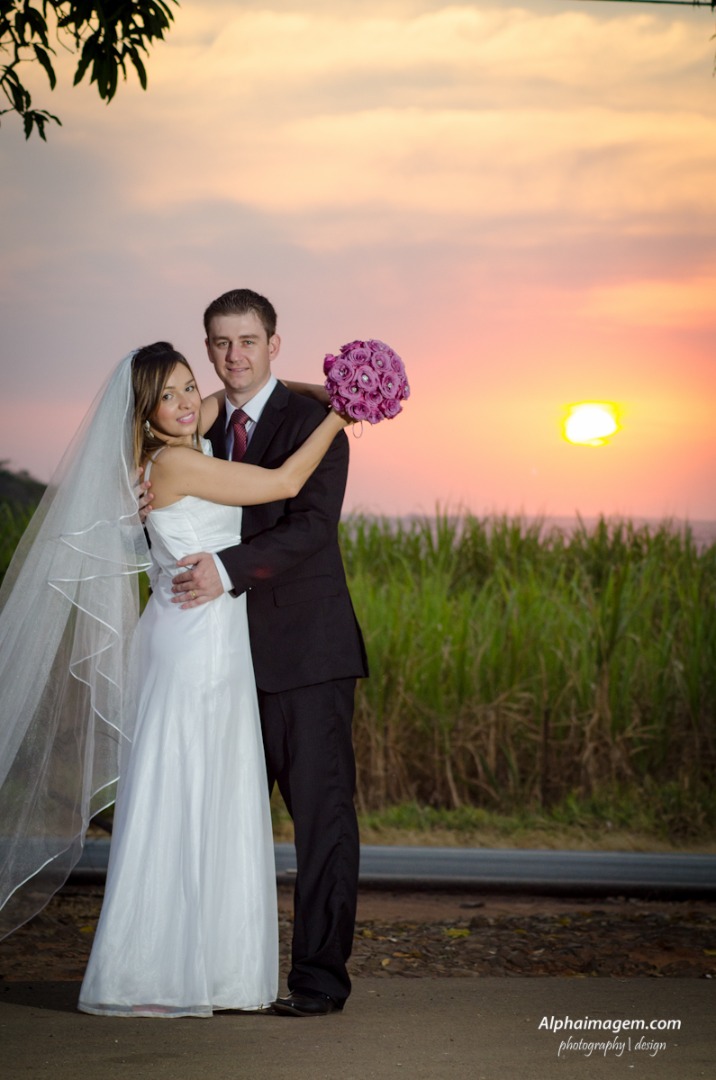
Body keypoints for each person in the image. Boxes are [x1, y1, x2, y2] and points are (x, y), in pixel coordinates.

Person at [0, 342, 350, 1017]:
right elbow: (284, 483)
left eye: (190, 386)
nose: (188, 402)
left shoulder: (177, 444)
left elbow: (236, 396)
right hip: (196, 646)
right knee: (186, 793)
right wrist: (341, 414)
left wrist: (331, 386)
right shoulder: (176, 463)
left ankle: (210, 970)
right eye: (168, 396)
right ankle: (154, 972)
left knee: (208, 794)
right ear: (145, 412)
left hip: (203, 635)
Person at [168, 289, 368, 1017]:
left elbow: (311, 527)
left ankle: (318, 980)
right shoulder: (198, 427)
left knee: (321, 821)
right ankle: (225, 974)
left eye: (248, 340)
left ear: (273, 344)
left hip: (306, 655)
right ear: (207, 348)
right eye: (221, 343)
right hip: (218, 659)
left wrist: (224, 570)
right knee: (224, 820)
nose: (234, 355)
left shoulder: (314, 424)